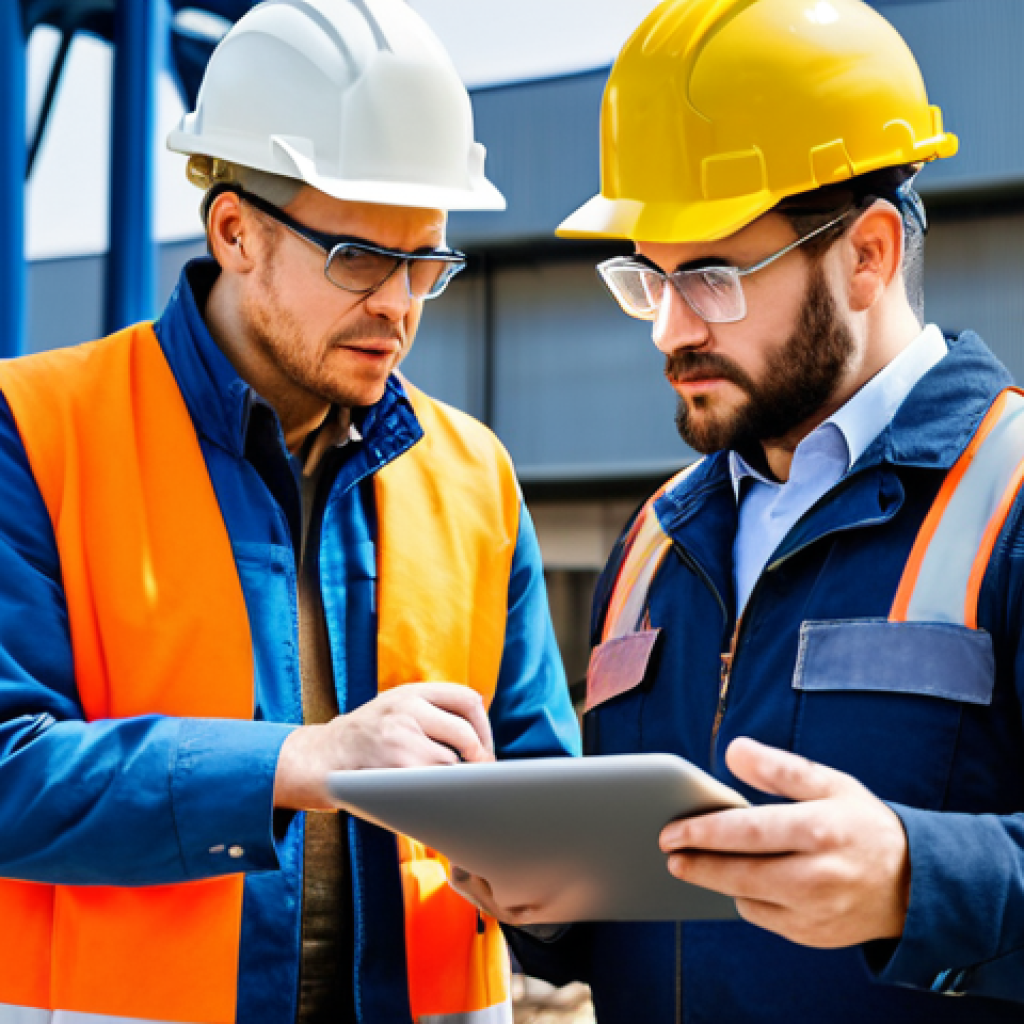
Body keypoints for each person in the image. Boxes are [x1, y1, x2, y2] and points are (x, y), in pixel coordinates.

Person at [0, 3, 579, 1024]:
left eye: (426, 263)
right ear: (236, 232)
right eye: (361, 257)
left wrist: (549, 869)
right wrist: (300, 761)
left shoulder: (476, 474)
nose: (399, 303)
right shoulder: (37, 428)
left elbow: (537, 778)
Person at [454, 0, 1024, 1020]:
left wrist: (915, 876)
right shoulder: (654, 540)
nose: (669, 329)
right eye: (648, 278)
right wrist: (547, 901)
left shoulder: (1012, 495)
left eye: (712, 276)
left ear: (869, 255)